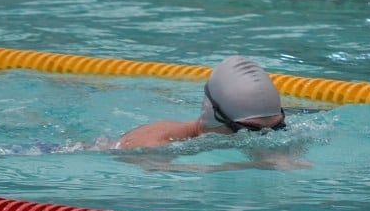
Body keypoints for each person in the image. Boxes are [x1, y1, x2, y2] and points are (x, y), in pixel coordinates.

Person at [111, 55, 287, 150]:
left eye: (277, 127)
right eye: (249, 131)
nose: (266, 137)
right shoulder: (150, 143)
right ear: (214, 114)